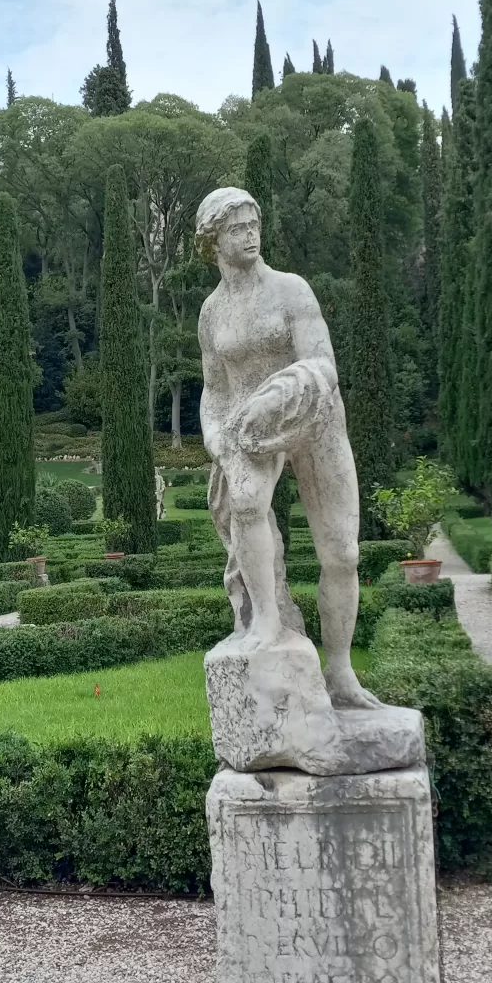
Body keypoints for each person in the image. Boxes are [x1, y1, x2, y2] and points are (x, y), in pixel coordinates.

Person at [196, 187, 377, 711]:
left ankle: (340, 672)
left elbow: (323, 364)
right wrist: (214, 434)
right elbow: (214, 388)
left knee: (342, 554)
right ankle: (268, 624)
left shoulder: (291, 290)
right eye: (236, 228)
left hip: (312, 417)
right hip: (247, 428)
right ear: (214, 242)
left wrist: (279, 392)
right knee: (248, 505)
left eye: (253, 224)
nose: (250, 234)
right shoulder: (211, 313)